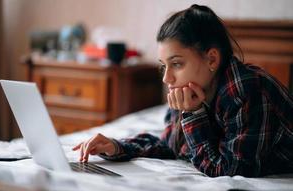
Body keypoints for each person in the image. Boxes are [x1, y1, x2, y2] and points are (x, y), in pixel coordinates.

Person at [73, 4, 293, 177]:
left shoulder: (247, 89)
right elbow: (173, 145)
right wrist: (116, 146)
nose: (166, 78)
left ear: (212, 59)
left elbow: (229, 170)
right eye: (163, 65)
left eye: (176, 64)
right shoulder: (190, 91)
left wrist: (193, 115)